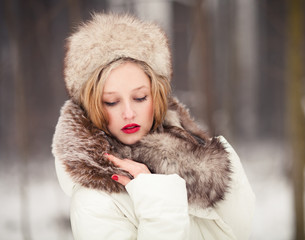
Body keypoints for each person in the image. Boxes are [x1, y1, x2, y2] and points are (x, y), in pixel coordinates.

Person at [52, 13, 255, 240]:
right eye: (111, 102)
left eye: (139, 98)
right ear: (91, 105)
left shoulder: (209, 160)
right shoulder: (95, 200)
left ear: (156, 96)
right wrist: (158, 202)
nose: (128, 113)